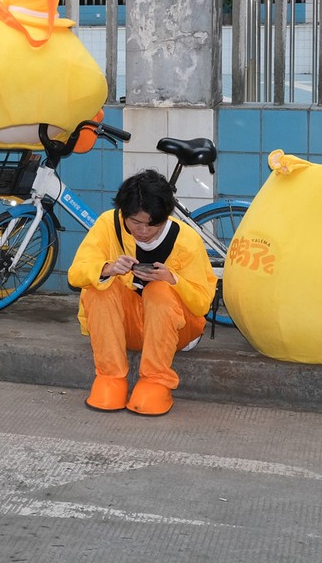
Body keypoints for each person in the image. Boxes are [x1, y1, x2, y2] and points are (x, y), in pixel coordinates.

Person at [66, 169, 216, 416]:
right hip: (127, 330)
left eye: (152, 224)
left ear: (165, 217)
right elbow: (76, 274)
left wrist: (173, 280)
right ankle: (111, 379)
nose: (143, 230)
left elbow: (201, 305)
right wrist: (107, 268)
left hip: (175, 332)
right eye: (135, 222)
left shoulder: (187, 240)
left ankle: (155, 381)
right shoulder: (107, 224)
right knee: (100, 288)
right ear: (123, 213)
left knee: (159, 290)